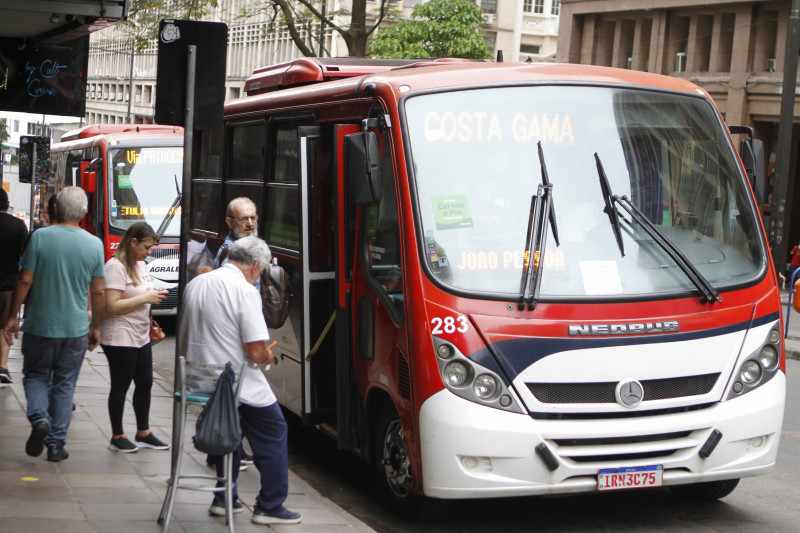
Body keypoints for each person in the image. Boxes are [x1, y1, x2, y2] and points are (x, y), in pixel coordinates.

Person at [181, 236, 301, 525]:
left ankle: (224, 497)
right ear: (255, 266)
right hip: (232, 383)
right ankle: (270, 504)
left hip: (197, 382)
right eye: (259, 272)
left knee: (231, 426)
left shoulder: (197, 282)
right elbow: (257, 351)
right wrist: (269, 359)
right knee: (274, 430)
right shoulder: (243, 291)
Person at [3, 187, 105, 462]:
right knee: (64, 384)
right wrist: (96, 325)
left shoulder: (41, 237)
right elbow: (98, 290)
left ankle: (39, 419)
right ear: (84, 213)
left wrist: (13, 317)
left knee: (36, 375)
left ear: (56, 209)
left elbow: (24, 280)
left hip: (40, 326)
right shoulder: (95, 244)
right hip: (75, 329)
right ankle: (56, 444)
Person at [101, 221, 171, 453]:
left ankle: (143, 431)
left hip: (140, 333)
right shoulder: (115, 267)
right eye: (146, 247)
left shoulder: (140, 264)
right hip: (120, 335)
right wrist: (145, 298)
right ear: (133, 242)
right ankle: (117, 434)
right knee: (121, 384)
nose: (149, 252)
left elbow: (142, 292)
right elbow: (111, 306)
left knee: (145, 382)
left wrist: (153, 296)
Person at [0, 188, 28, 384]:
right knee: (5, 326)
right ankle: (2, 366)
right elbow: (25, 256)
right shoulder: (18, 226)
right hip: (9, 286)